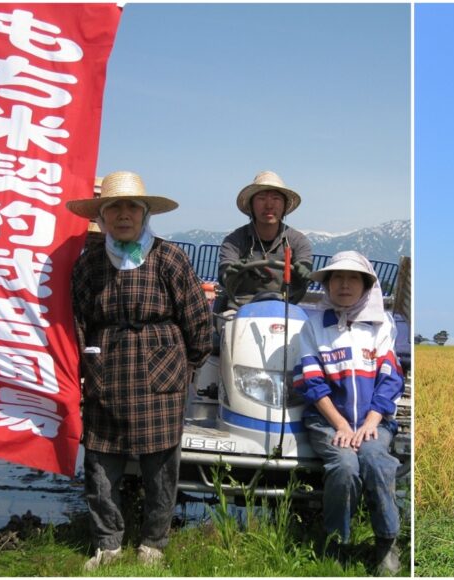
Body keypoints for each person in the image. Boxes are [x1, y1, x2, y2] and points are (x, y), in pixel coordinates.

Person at [68, 171, 212, 570]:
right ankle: (108, 542)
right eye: (115, 207)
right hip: (107, 370)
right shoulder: (91, 265)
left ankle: (153, 543)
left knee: (161, 466)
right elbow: (78, 321)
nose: (124, 214)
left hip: (161, 373)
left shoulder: (169, 257)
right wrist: (84, 364)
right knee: (100, 462)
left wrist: (186, 368)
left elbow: (199, 322)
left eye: (133, 206)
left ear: (146, 213)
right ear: (102, 216)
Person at [295, 251, 405, 575]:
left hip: (375, 421)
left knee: (374, 460)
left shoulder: (381, 325)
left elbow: (391, 376)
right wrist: (341, 424)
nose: (344, 284)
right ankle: (336, 542)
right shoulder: (314, 327)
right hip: (328, 422)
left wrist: (371, 422)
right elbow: (311, 381)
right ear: (327, 285)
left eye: (353, 278)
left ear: (366, 285)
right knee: (344, 465)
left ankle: (387, 541)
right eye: (337, 278)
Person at [217, 170, 312, 308]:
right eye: (261, 198)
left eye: (276, 199)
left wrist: (304, 271)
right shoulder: (234, 240)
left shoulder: (298, 240)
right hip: (240, 308)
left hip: (283, 307)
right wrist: (230, 274)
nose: (269, 205)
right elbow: (225, 271)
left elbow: (305, 264)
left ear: (285, 205)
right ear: (251, 205)